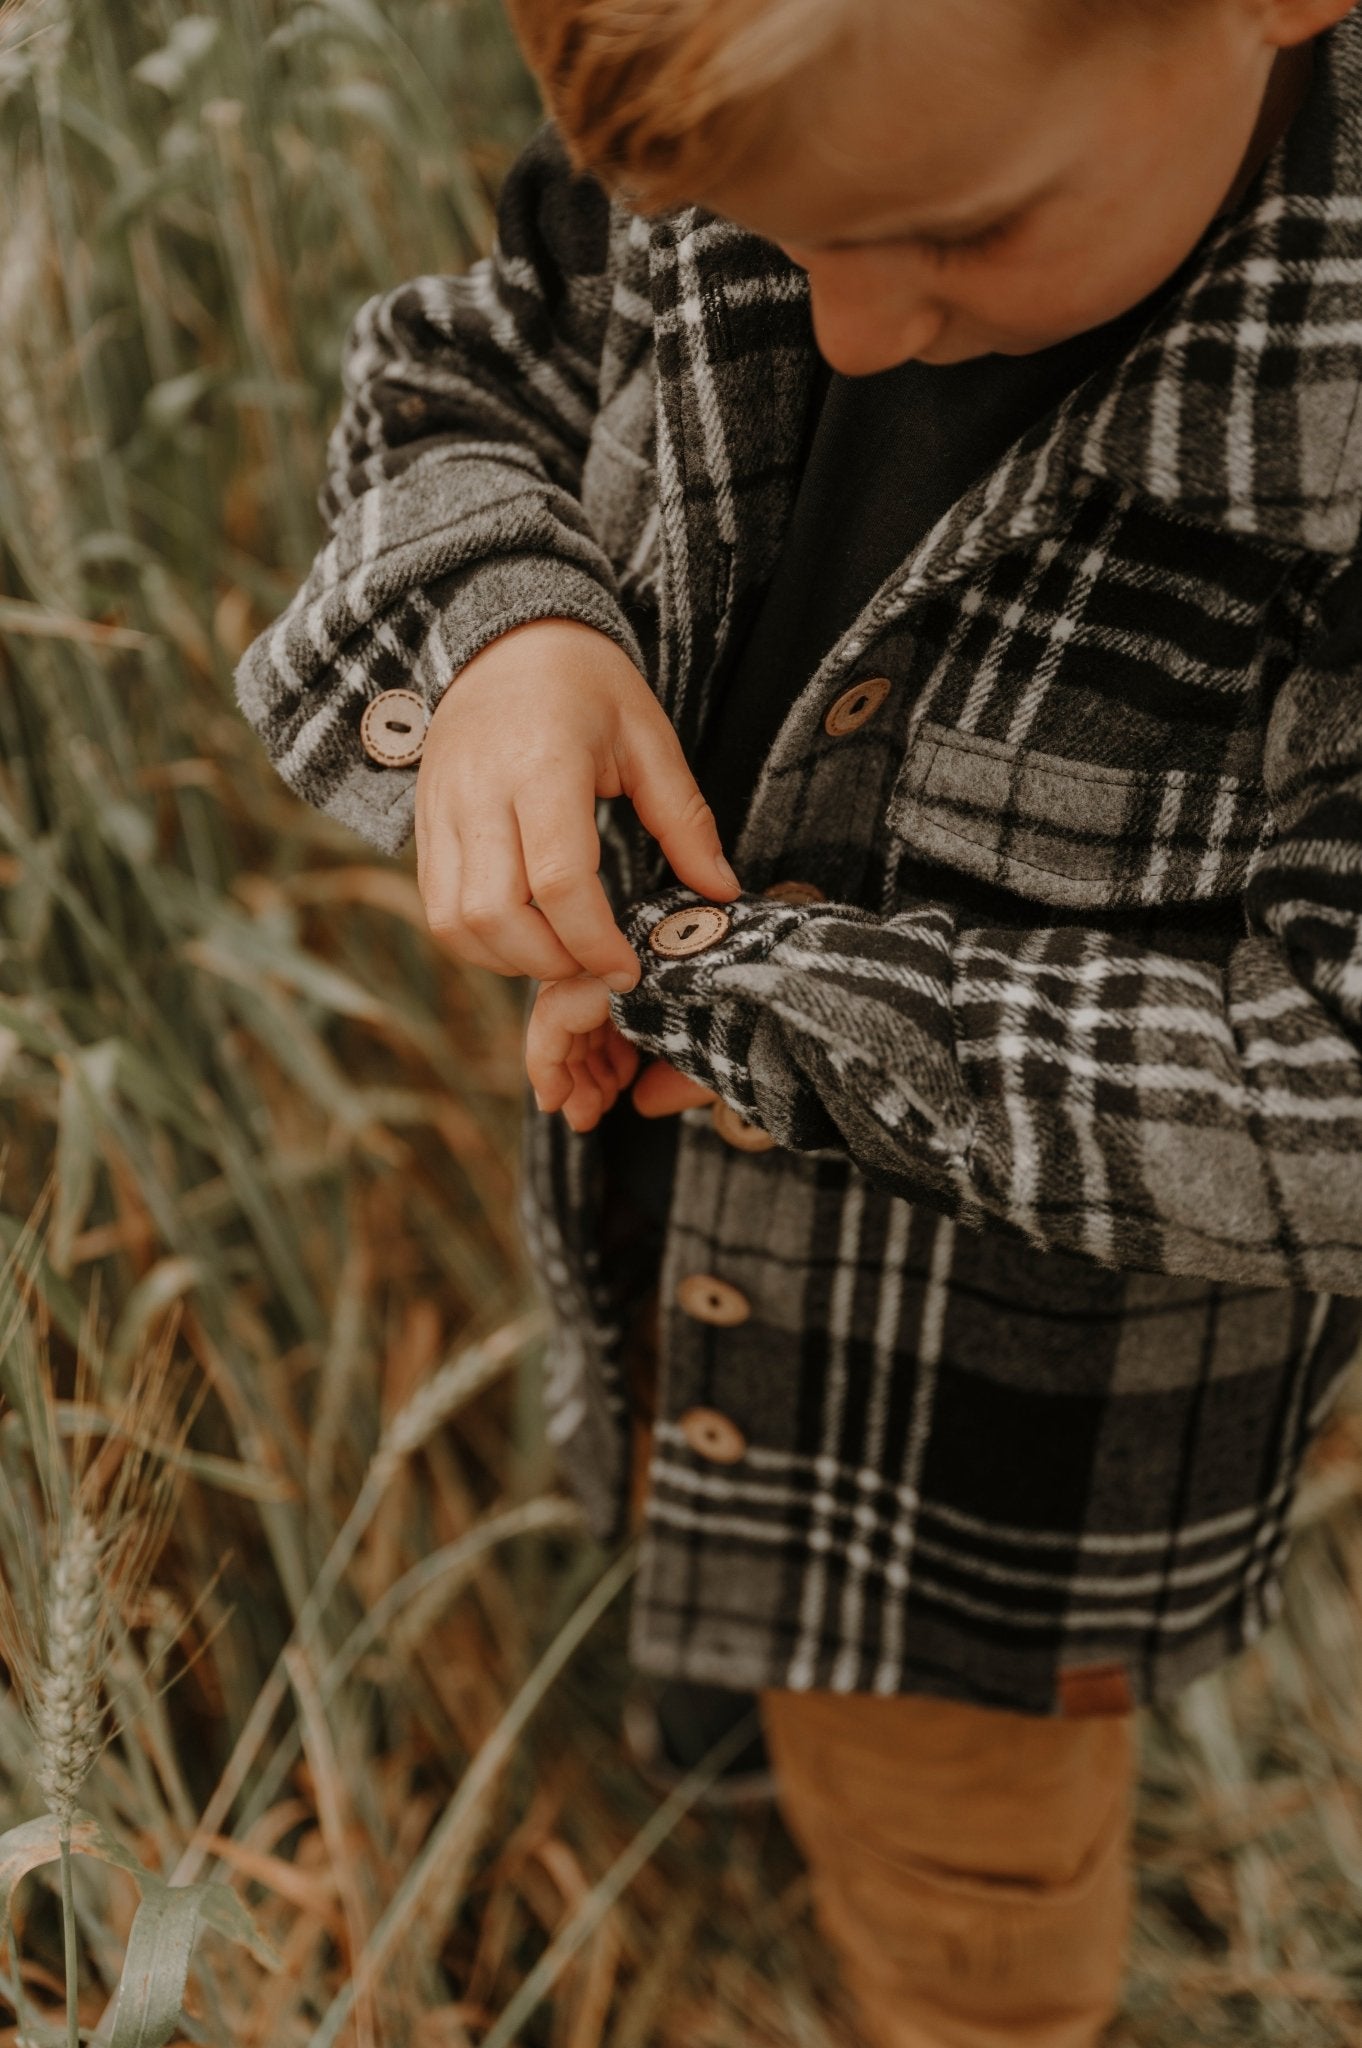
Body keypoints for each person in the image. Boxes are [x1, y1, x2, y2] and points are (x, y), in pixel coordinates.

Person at [233, 0, 1362, 2038]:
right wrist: (512, 624)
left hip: (997, 1477)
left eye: (949, 234)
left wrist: (772, 1005)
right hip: (678, 1254)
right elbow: (479, 351)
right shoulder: (807, 118)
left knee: (962, 1888)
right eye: (758, 237)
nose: (842, 327)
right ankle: (730, 1721)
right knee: (705, 1551)